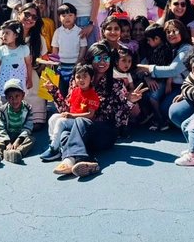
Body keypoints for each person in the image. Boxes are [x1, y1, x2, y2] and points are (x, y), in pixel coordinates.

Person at [44, 43, 145, 178]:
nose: (102, 62)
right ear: (90, 60)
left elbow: (119, 120)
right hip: (82, 133)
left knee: (79, 122)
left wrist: (129, 101)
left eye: (106, 58)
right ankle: (87, 162)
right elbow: (67, 110)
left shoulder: (116, 85)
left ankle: (69, 159)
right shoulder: (77, 82)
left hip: (104, 133)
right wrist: (54, 92)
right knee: (64, 132)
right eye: (98, 58)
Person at [136, 18, 194, 123]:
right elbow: (145, 61)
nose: (171, 34)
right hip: (174, 86)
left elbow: (173, 70)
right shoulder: (167, 48)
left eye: (175, 31)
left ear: (182, 32)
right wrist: (147, 77)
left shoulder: (187, 49)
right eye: (168, 32)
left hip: (186, 86)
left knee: (167, 110)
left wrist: (148, 69)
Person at [40, 64, 100, 161]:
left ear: (91, 78)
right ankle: (54, 144)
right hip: (71, 119)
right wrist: (52, 90)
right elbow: (67, 107)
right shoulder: (75, 91)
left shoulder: (93, 95)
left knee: (61, 122)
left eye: (85, 76)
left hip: (81, 124)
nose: (81, 80)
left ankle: (54, 150)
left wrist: (72, 116)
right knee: (54, 117)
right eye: (78, 77)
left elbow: (90, 114)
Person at [0, 78, 33, 165]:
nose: (14, 100)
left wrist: (18, 140)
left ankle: (16, 153)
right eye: (10, 97)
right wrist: (7, 143)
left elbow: (28, 126)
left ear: (23, 95)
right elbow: (0, 128)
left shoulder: (28, 108)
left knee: (31, 139)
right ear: (6, 98)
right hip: (6, 134)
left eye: (17, 96)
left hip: (19, 135)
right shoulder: (2, 110)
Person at [51, 3, 85, 95]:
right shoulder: (57, 32)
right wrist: (55, 63)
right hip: (61, 65)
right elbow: (55, 48)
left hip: (75, 65)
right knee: (62, 90)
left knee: (74, 89)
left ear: (75, 17)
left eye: (70, 15)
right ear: (59, 18)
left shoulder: (80, 31)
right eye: (64, 15)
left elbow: (83, 47)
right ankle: (63, 108)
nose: (67, 18)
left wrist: (79, 60)